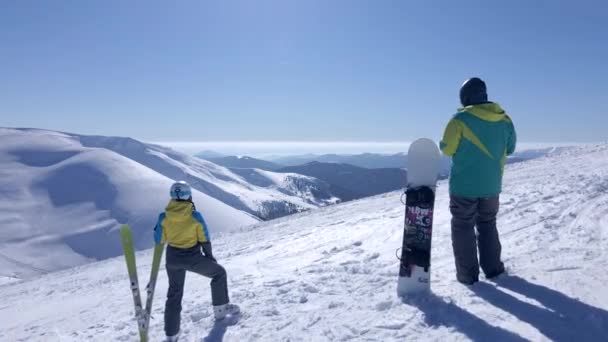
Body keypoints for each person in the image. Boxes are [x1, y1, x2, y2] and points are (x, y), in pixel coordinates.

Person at [440, 77, 517, 285]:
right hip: (492, 185)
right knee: (488, 224)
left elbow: (446, 149)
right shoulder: (505, 119)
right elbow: (510, 148)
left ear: (465, 97)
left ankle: (467, 276)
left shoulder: (460, 120)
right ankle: (493, 269)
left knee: (463, 226)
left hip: (463, 186)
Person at [154, 181, 240, 341]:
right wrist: (209, 256)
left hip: (172, 258)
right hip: (192, 256)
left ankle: (171, 334)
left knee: (174, 294)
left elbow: (159, 239)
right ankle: (221, 310)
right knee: (219, 273)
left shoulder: (163, 217)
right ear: (189, 196)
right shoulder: (195, 216)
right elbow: (204, 238)